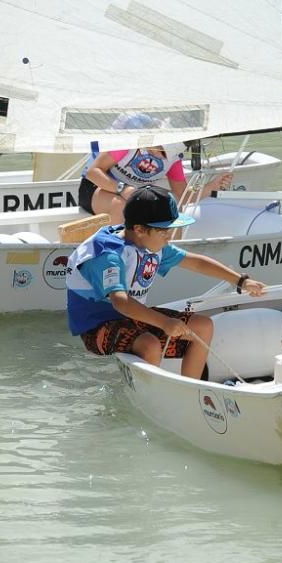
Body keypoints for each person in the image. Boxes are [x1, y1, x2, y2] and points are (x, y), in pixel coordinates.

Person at [66, 185, 266, 380]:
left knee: (203, 326)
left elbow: (195, 262)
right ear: (140, 229)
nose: (169, 236)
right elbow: (121, 302)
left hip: (132, 317)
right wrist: (165, 323)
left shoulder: (151, 245)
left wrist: (240, 281)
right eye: (164, 231)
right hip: (96, 327)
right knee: (150, 345)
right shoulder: (109, 256)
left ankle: (190, 390)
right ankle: (150, 398)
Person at [77, 112, 231, 224]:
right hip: (97, 187)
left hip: (135, 195)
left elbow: (182, 194)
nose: (158, 155)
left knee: (170, 208)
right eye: (158, 147)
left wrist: (211, 186)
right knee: (121, 206)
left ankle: (167, 258)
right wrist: (122, 189)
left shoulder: (173, 159)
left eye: (164, 153)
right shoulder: (129, 141)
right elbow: (93, 172)